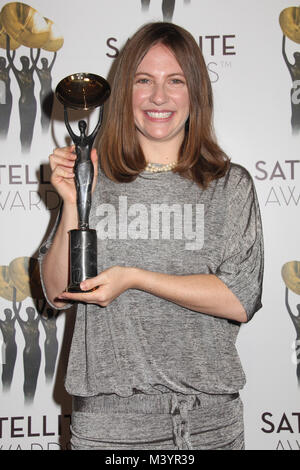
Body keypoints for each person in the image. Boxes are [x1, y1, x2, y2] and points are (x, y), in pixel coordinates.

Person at [39, 22, 264, 450]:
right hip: (109, 427)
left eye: (174, 81)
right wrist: (73, 201)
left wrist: (135, 277)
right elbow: (55, 291)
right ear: (125, 92)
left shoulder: (229, 185)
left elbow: (240, 299)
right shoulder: (93, 177)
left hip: (209, 426)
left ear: (195, 93)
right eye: (144, 80)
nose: (159, 97)